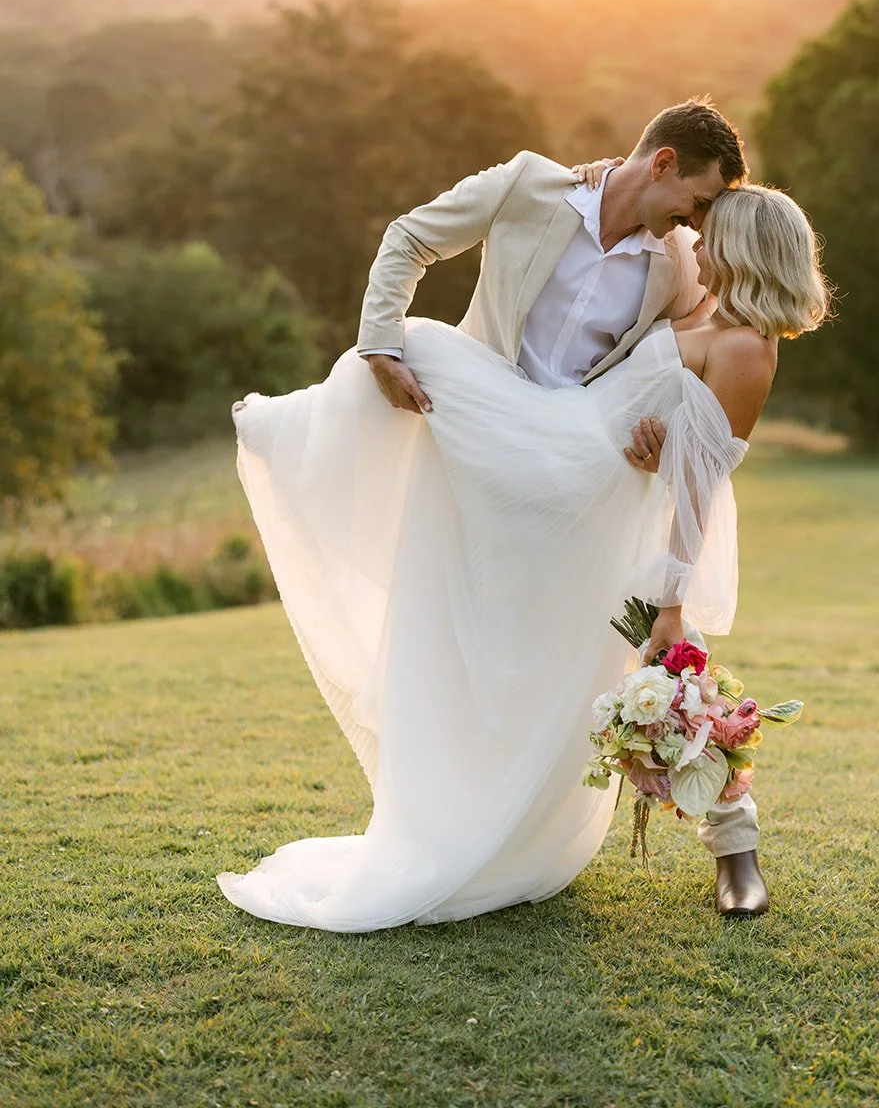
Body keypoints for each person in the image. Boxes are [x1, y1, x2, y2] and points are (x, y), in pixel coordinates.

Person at [216, 105, 828, 930]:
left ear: (744, 249)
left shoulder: (734, 331)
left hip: (587, 472)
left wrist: (674, 575)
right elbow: (669, 383)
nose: (695, 232)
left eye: (711, 226)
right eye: (696, 211)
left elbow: (704, 480)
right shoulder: (653, 267)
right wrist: (379, 344)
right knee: (419, 355)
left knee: (667, 658)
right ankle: (476, 812)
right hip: (539, 445)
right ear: (664, 164)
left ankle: (736, 848)